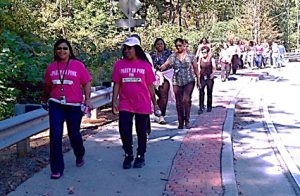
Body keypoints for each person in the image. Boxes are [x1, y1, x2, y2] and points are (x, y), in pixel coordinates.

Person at [43, 39, 92, 179]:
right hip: (56, 104)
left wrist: (87, 100)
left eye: (65, 48)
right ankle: (56, 168)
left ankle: (79, 154)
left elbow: (87, 82)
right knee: (55, 135)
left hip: (74, 106)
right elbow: (47, 85)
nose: (62, 51)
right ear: (55, 51)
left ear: (69, 51)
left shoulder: (78, 65)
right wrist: (44, 98)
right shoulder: (51, 67)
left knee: (74, 134)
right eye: (59, 48)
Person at [112, 37, 159, 169]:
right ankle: (128, 154)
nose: (127, 51)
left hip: (142, 103)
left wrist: (155, 103)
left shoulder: (145, 65)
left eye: (130, 48)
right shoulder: (119, 65)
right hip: (125, 103)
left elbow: (150, 86)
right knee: (124, 130)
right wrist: (114, 100)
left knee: (141, 131)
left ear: (136, 49)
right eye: (125, 48)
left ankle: (140, 155)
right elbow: (117, 84)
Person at [160, 38, 200, 129]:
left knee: (186, 100)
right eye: (177, 46)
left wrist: (198, 80)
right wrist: (159, 68)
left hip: (189, 80)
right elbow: (166, 64)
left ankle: (187, 120)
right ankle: (180, 121)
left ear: (184, 45)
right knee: (178, 102)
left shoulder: (190, 55)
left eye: (180, 45)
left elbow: (196, 68)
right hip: (177, 81)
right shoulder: (173, 56)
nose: (179, 47)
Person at [150, 38, 173, 124]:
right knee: (156, 96)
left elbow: (171, 61)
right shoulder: (151, 54)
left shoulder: (168, 53)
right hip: (154, 76)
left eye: (161, 44)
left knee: (164, 96)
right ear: (155, 45)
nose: (160, 45)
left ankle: (161, 116)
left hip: (165, 75)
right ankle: (157, 112)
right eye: (158, 44)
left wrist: (164, 66)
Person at [198, 46, 216, 114]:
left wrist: (213, 74)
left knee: (209, 92)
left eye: (205, 52)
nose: (203, 54)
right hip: (202, 77)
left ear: (208, 52)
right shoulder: (200, 59)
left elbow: (214, 68)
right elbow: (199, 68)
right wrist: (198, 77)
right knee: (201, 92)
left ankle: (209, 106)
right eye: (202, 52)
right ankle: (201, 107)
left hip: (209, 77)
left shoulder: (211, 59)